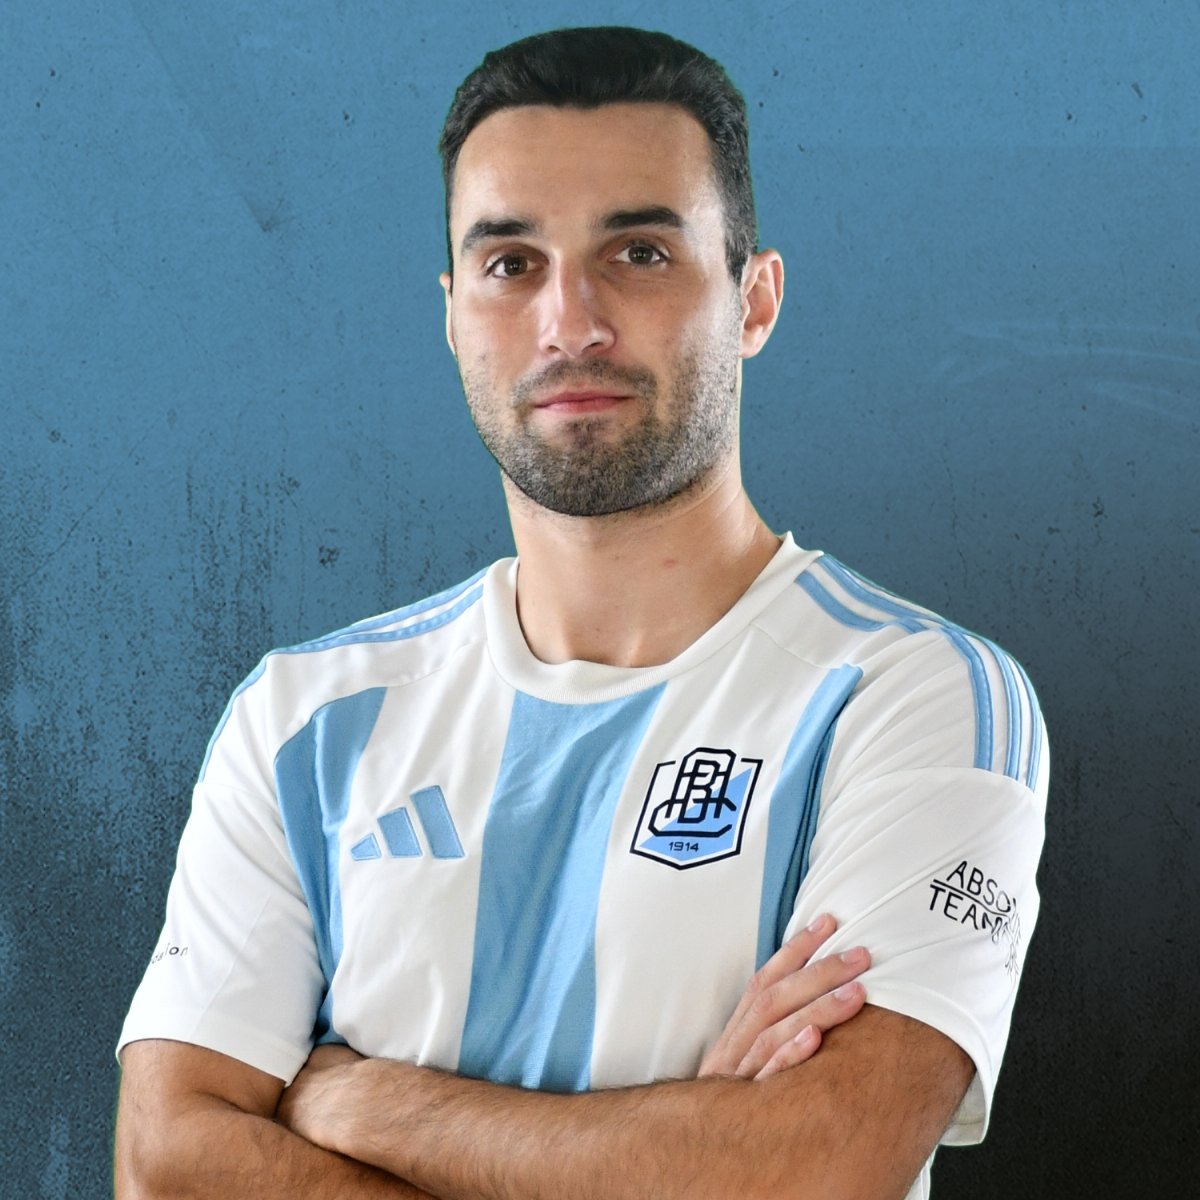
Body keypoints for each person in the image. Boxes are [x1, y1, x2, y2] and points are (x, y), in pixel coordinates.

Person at [114, 25, 1047, 1200]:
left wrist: (366, 1102)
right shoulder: (302, 718)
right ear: (453, 312)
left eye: (640, 253)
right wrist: (695, 1148)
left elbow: (816, 1166)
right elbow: (168, 1165)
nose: (570, 321)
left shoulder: (915, 697)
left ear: (754, 301)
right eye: (511, 264)